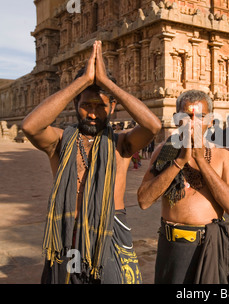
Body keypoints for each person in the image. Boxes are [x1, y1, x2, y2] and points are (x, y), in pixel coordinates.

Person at [22, 40, 162, 284]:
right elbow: (30, 126)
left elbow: (153, 125)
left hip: (110, 231)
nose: (93, 113)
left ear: (112, 106)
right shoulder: (59, 141)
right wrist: (82, 82)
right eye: (86, 104)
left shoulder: (122, 144)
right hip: (67, 232)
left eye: (101, 106)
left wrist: (106, 83)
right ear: (76, 103)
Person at [137, 90, 229, 284]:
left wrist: (201, 161)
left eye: (200, 117)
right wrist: (179, 162)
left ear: (210, 121)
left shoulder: (225, 157)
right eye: (186, 116)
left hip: (208, 249)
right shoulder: (164, 152)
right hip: (172, 247)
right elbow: (143, 200)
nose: (192, 123)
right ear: (177, 119)